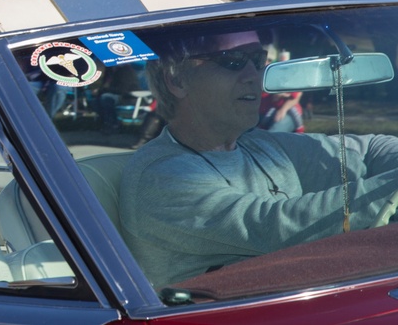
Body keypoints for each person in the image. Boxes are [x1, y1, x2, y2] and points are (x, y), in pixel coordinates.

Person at [119, 28, 398, 289]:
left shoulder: (258, 143)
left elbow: (370, 149)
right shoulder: (160, 175)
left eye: (257, 59)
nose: (254, 75)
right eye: (234, 60)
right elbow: (279, 226)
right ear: (177, 80)